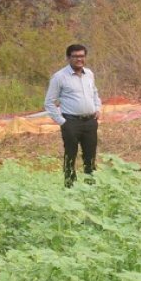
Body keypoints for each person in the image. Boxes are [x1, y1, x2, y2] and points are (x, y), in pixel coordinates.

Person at [44, 44, 102, 187]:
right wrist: (62, 122)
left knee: (90, 155)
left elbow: (94, 92)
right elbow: (49, 102)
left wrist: (98, 108)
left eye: (82, 56)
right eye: (75, 56)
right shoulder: (59, 77)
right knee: (71, 155)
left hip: (90, 121)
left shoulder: (89, 74)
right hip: (70, 122)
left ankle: (90, 184)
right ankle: (70, 186)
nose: (79, 59)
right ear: (68, 58)